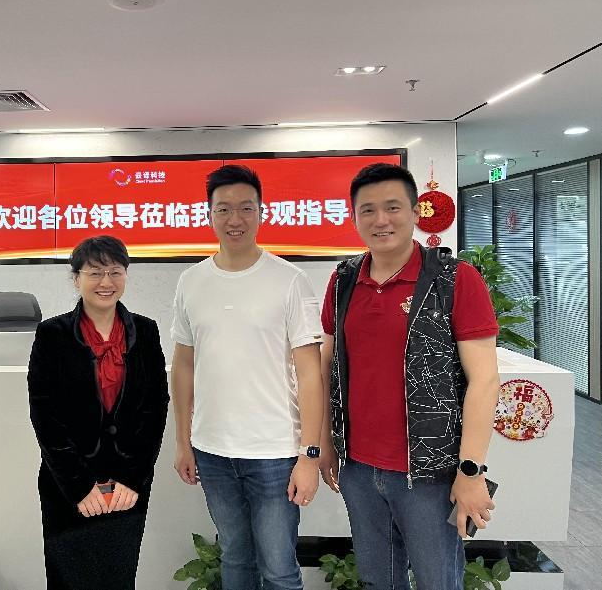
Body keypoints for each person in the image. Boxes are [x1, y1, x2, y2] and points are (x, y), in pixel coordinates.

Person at [318, 163, 500, 590]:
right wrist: (324, 443)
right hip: (359, 470)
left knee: (438, 581)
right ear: (354, 217)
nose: (380, 220)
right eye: (367, 210)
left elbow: (485, 381)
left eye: (393, 207)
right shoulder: (343, 280)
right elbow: (328, 366)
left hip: (430, 475)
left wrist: (470, 470)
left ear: (416, 212)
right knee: (377, 580)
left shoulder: (455, 279)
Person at [171, 164, 324, 590]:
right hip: (212, 451)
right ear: (209, 214)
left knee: (279, 568)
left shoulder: (289, 280)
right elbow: (183, 365)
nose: (234, 219)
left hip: (274, 452)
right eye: (223, 209)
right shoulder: (191, 281)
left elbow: (310, 373)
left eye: (245, 208)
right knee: (234, 558)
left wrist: (309, 456)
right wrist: (183, 441)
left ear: (261, 212)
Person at [27, 235, 169, 590]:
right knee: (69, 579)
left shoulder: (146, 331)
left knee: (117, 577)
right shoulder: (52, 334)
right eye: (95, 273)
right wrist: (79, 487)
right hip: (68, 484)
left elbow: (155, 408)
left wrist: (132, 479)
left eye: (115, 271)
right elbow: (44, 414)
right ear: (76, 279)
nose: (106, 282)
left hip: (127, 486)